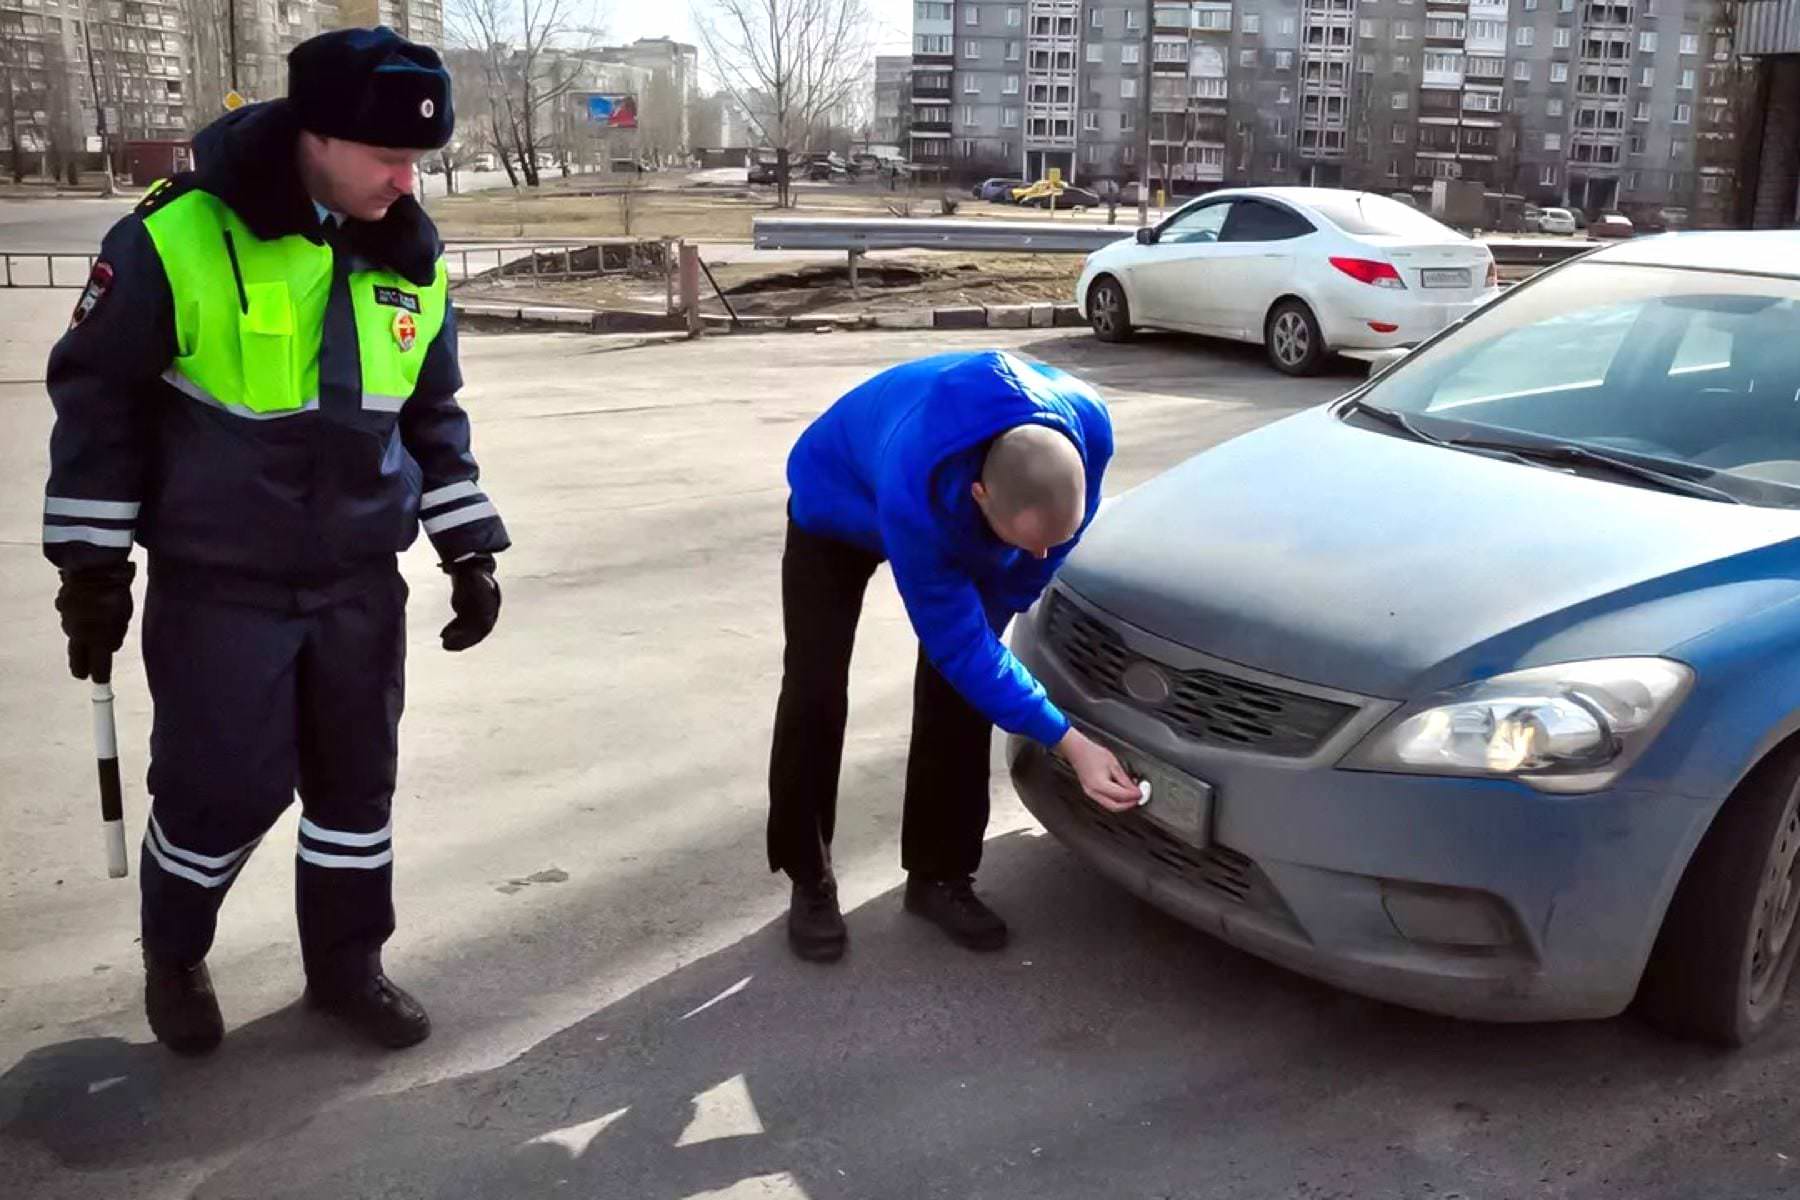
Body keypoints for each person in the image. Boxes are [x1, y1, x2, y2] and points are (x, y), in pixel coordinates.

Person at [42, 26, 509, 1055]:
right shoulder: (177, 237)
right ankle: (175, 949)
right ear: (318, 137)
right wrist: (91, 567)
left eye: (419, 160)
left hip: (356, 583)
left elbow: (431, 417)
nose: (408, 180)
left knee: (355, 790)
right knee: (221, 789)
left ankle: (347, 966)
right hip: (223, 587)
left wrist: (467, 547)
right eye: (388, 158)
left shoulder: (408, 255)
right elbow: (100, 404)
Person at [768, 350, 1141, 964]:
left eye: (1055, 540)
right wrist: (1067, 740)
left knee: (963, 688)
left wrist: (1017, 577)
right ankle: (809, 878)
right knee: (816, 685)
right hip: (839, 500)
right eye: (1030, 544)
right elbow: (961, 643)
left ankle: (940, 876)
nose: (1045, 555)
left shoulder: (1087, 429)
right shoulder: (918, 488)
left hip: (955, 496)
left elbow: (1022, 580)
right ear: (979, 496)